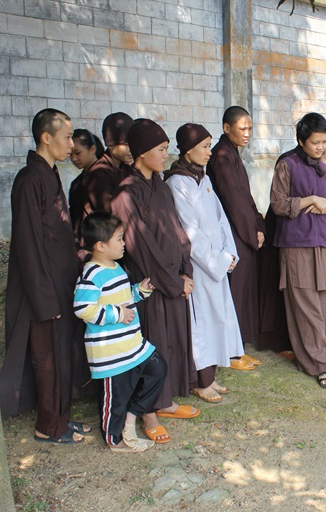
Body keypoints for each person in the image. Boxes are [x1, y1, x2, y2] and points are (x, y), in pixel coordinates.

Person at [0, 108, 92, 444]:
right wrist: (44, 299)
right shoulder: (29, 179)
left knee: (62, 353)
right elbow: (28, 244)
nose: (72, 144)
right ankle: (49, 427)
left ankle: (62, 418)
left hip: (61, 283)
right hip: (44, 290)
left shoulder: (50, 174)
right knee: (48, 358)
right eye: (66, 137)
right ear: (46, 137)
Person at [111, 118, 200, 445]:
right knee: (151, 346)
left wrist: (186, 271)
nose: (165, 155)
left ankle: (165, 401)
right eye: (161, 149)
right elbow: (140, 245)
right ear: (142, 152)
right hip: (149, 283)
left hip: (174, 278)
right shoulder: (126, 194)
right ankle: (147, 412)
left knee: (172, 341)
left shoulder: (160, 186)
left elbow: (178, 232)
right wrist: (172, 281)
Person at [165, 123, 244, 403]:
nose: (209, 152)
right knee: (200, 323)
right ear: (188, 150)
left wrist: (229, 253)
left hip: (217, 261)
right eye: (205, 147)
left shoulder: (204, 179)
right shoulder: (177, 183)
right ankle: (200, 380)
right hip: (199, 265)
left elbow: (221, 219)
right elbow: (189, 232)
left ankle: (210, 375)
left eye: (210, 146)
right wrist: (216, 260)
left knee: (217, 319)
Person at [74, 212, 167, 452]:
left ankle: (132, 416)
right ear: (100, 246)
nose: (124, 243)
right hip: (111, 352)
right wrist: (116, 314)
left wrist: (140, 291)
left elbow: (123, 299)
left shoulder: (116, 267)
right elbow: (83, 308)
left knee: (158, 368)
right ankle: (114, 440)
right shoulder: (92, 274)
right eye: (119, 239)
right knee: (115, 397)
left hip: (133, 345)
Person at [270, 113, 326, 389]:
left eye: (323, 142)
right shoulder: (287, 165)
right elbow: (277, 204)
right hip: (296, 243)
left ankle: (321, 357)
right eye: (315, 143)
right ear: (301, 141)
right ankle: (322, 364)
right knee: (305, 304)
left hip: (323, 243)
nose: (321, 147)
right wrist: (309, 200)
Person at [206, 107, 266, 368]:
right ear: (226, 128)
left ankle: (238, 345)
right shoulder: (221, 156)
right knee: (234, 292)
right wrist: (251, 233)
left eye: (250, 128)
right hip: (232, 233)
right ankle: (230, 351)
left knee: (242, 292)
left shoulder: (232, 154)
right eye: (242, 128)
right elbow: (233, 200)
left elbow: (246, 196)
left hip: (242, 231)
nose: (247, 133)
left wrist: (259, 224)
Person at [69, 112, 134, 246]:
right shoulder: (98, 174)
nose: (131, 149)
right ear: (110, 143)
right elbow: (113, 215)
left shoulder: (126, 168)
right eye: (127, 144)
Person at [68, 128, 104, 251]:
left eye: (77, 153)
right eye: (70, 154)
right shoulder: (77, 182)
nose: (74, 159)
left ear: (92, 149)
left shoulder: (102, 176)